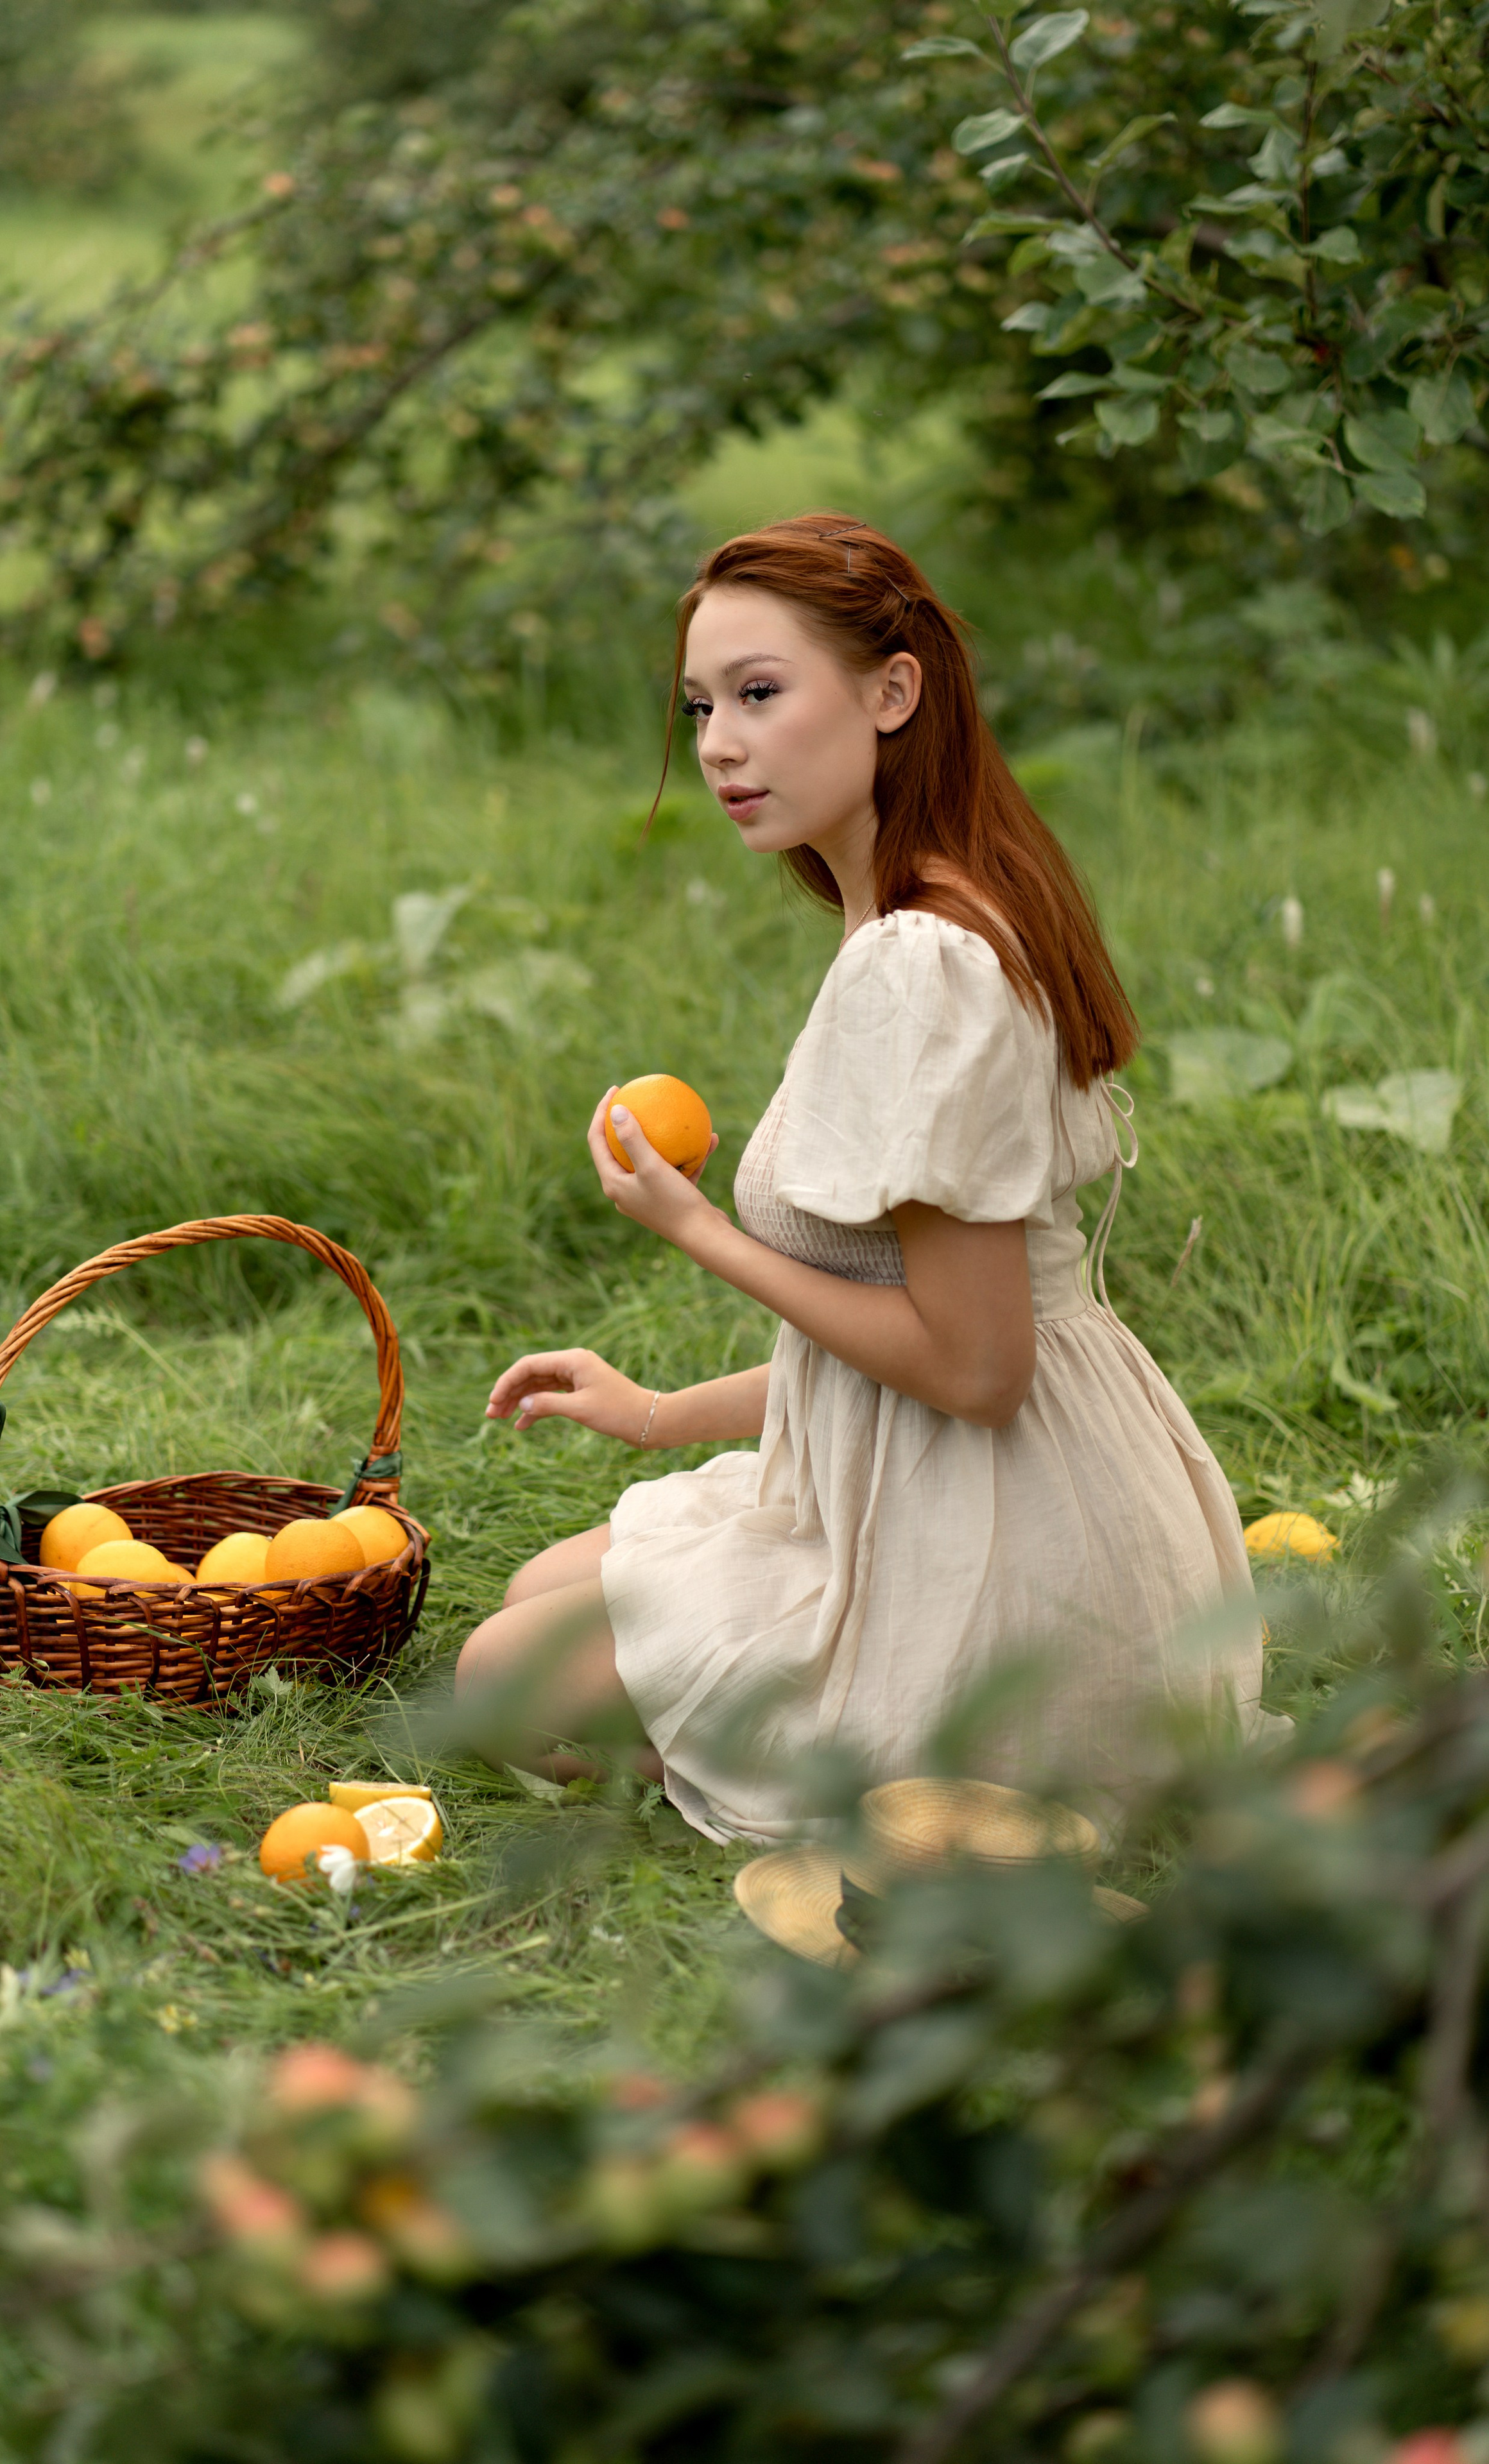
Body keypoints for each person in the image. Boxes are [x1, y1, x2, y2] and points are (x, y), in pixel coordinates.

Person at [454, 513, 1269, 1845]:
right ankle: (750, 1741)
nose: (718, 742)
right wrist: (658, 1410)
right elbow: (929, 1338)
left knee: (502, 1674)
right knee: (545, 1586)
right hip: (984, 1485)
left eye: (761, 694)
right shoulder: (926, 905)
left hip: (1009, 1564)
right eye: (701, 703)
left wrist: (696, 1229)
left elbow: (973, 1369)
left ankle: (847, 1788)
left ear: (891, 692)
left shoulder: (918, 962)